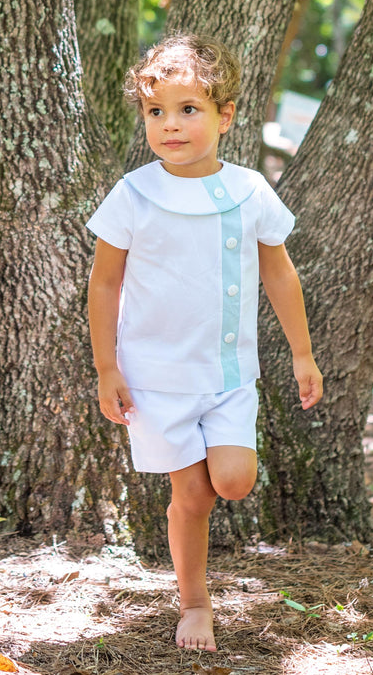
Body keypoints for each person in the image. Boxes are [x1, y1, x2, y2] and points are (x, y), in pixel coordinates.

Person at [86, 33, 323, 652]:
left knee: (235, 481)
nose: (170, 125)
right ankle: (195, 603)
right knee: (190, 496)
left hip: (227, 374)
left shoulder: (249, 191)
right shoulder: (133, 194)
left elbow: (280, 272)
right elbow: (105, 283)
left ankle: (203, 571)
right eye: (155, 111)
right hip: (154, 377)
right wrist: (106, 366)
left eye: (188, 109)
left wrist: (302, 352)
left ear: (226, 116)